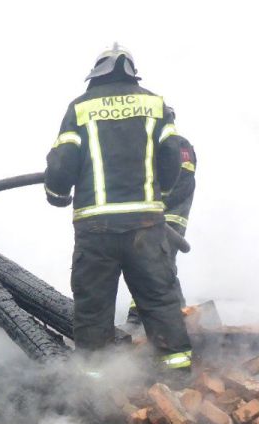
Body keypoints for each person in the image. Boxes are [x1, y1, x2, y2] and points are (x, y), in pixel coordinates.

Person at [44, 43, 192, 378]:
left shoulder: (80, 108)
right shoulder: (154, 104)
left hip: (95, 230)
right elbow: (172, 154)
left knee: (93, 310)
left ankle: (98, 392)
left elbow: (62, 161)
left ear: (96, 73)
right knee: (159, 301)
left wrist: (57, 194)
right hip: (145, 225)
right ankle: (179, 380)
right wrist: (162, 195)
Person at [128, 106, 196, 323]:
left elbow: (184, 179)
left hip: (171, 217)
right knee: (144, 260)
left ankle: (141, 315)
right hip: (149, 215)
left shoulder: (180, 145)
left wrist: (158, 204)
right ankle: (165, 311)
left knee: (162, 259)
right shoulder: (147, 147)